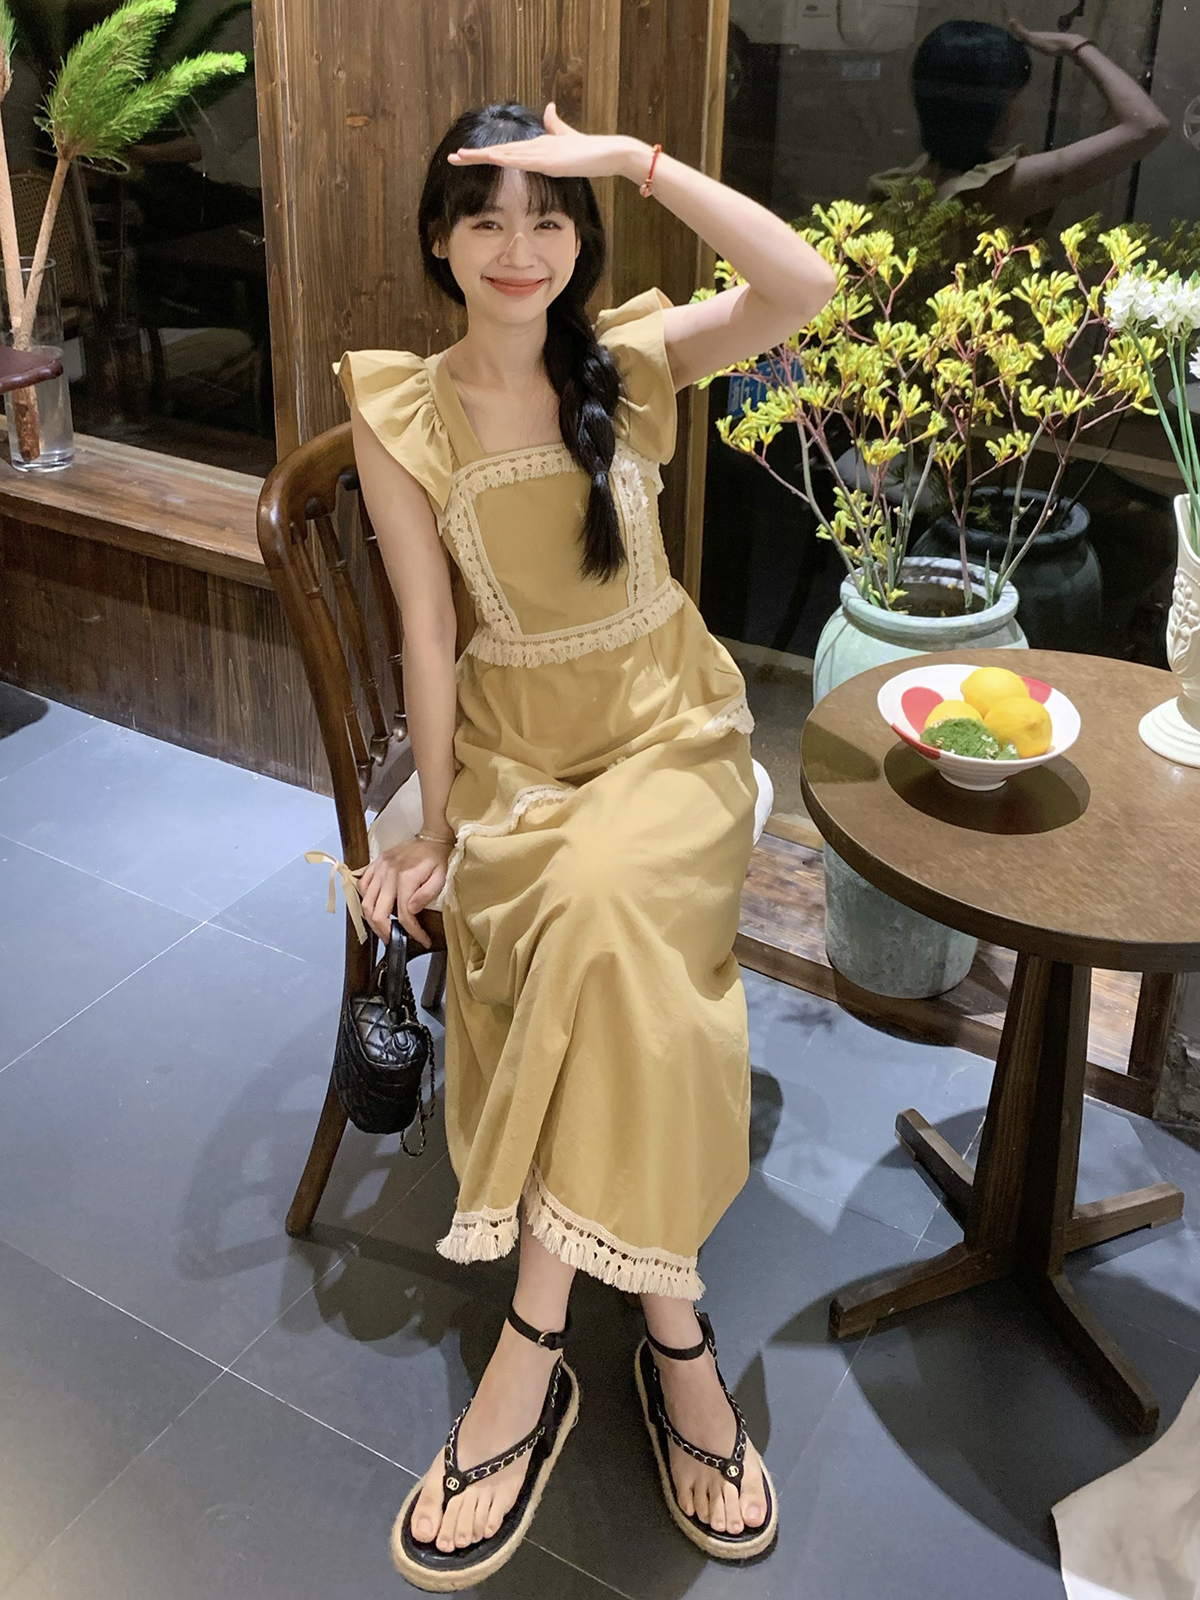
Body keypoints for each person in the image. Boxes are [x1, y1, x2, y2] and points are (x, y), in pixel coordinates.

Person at [337, 102, 835, 1588]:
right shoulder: (404, 412)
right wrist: (435, 823)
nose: (518, 247)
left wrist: (632, 163)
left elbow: (804, 286)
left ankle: (531, 1347)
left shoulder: (629, 355)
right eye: (484, 217)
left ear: (581, 238)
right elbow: (429, 635)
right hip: (518, 760)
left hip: (673, 735)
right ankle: (675, 1338)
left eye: (546, 216)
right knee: (604, 936)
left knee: (610, 902)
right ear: (438, 239)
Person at [871, 18, 1169, 228]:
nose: (1021, 106)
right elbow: (1147, 124)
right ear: (986, 107)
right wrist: (1075, 45)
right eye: (1014, 95)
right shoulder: (989, 190)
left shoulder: (917, 180)